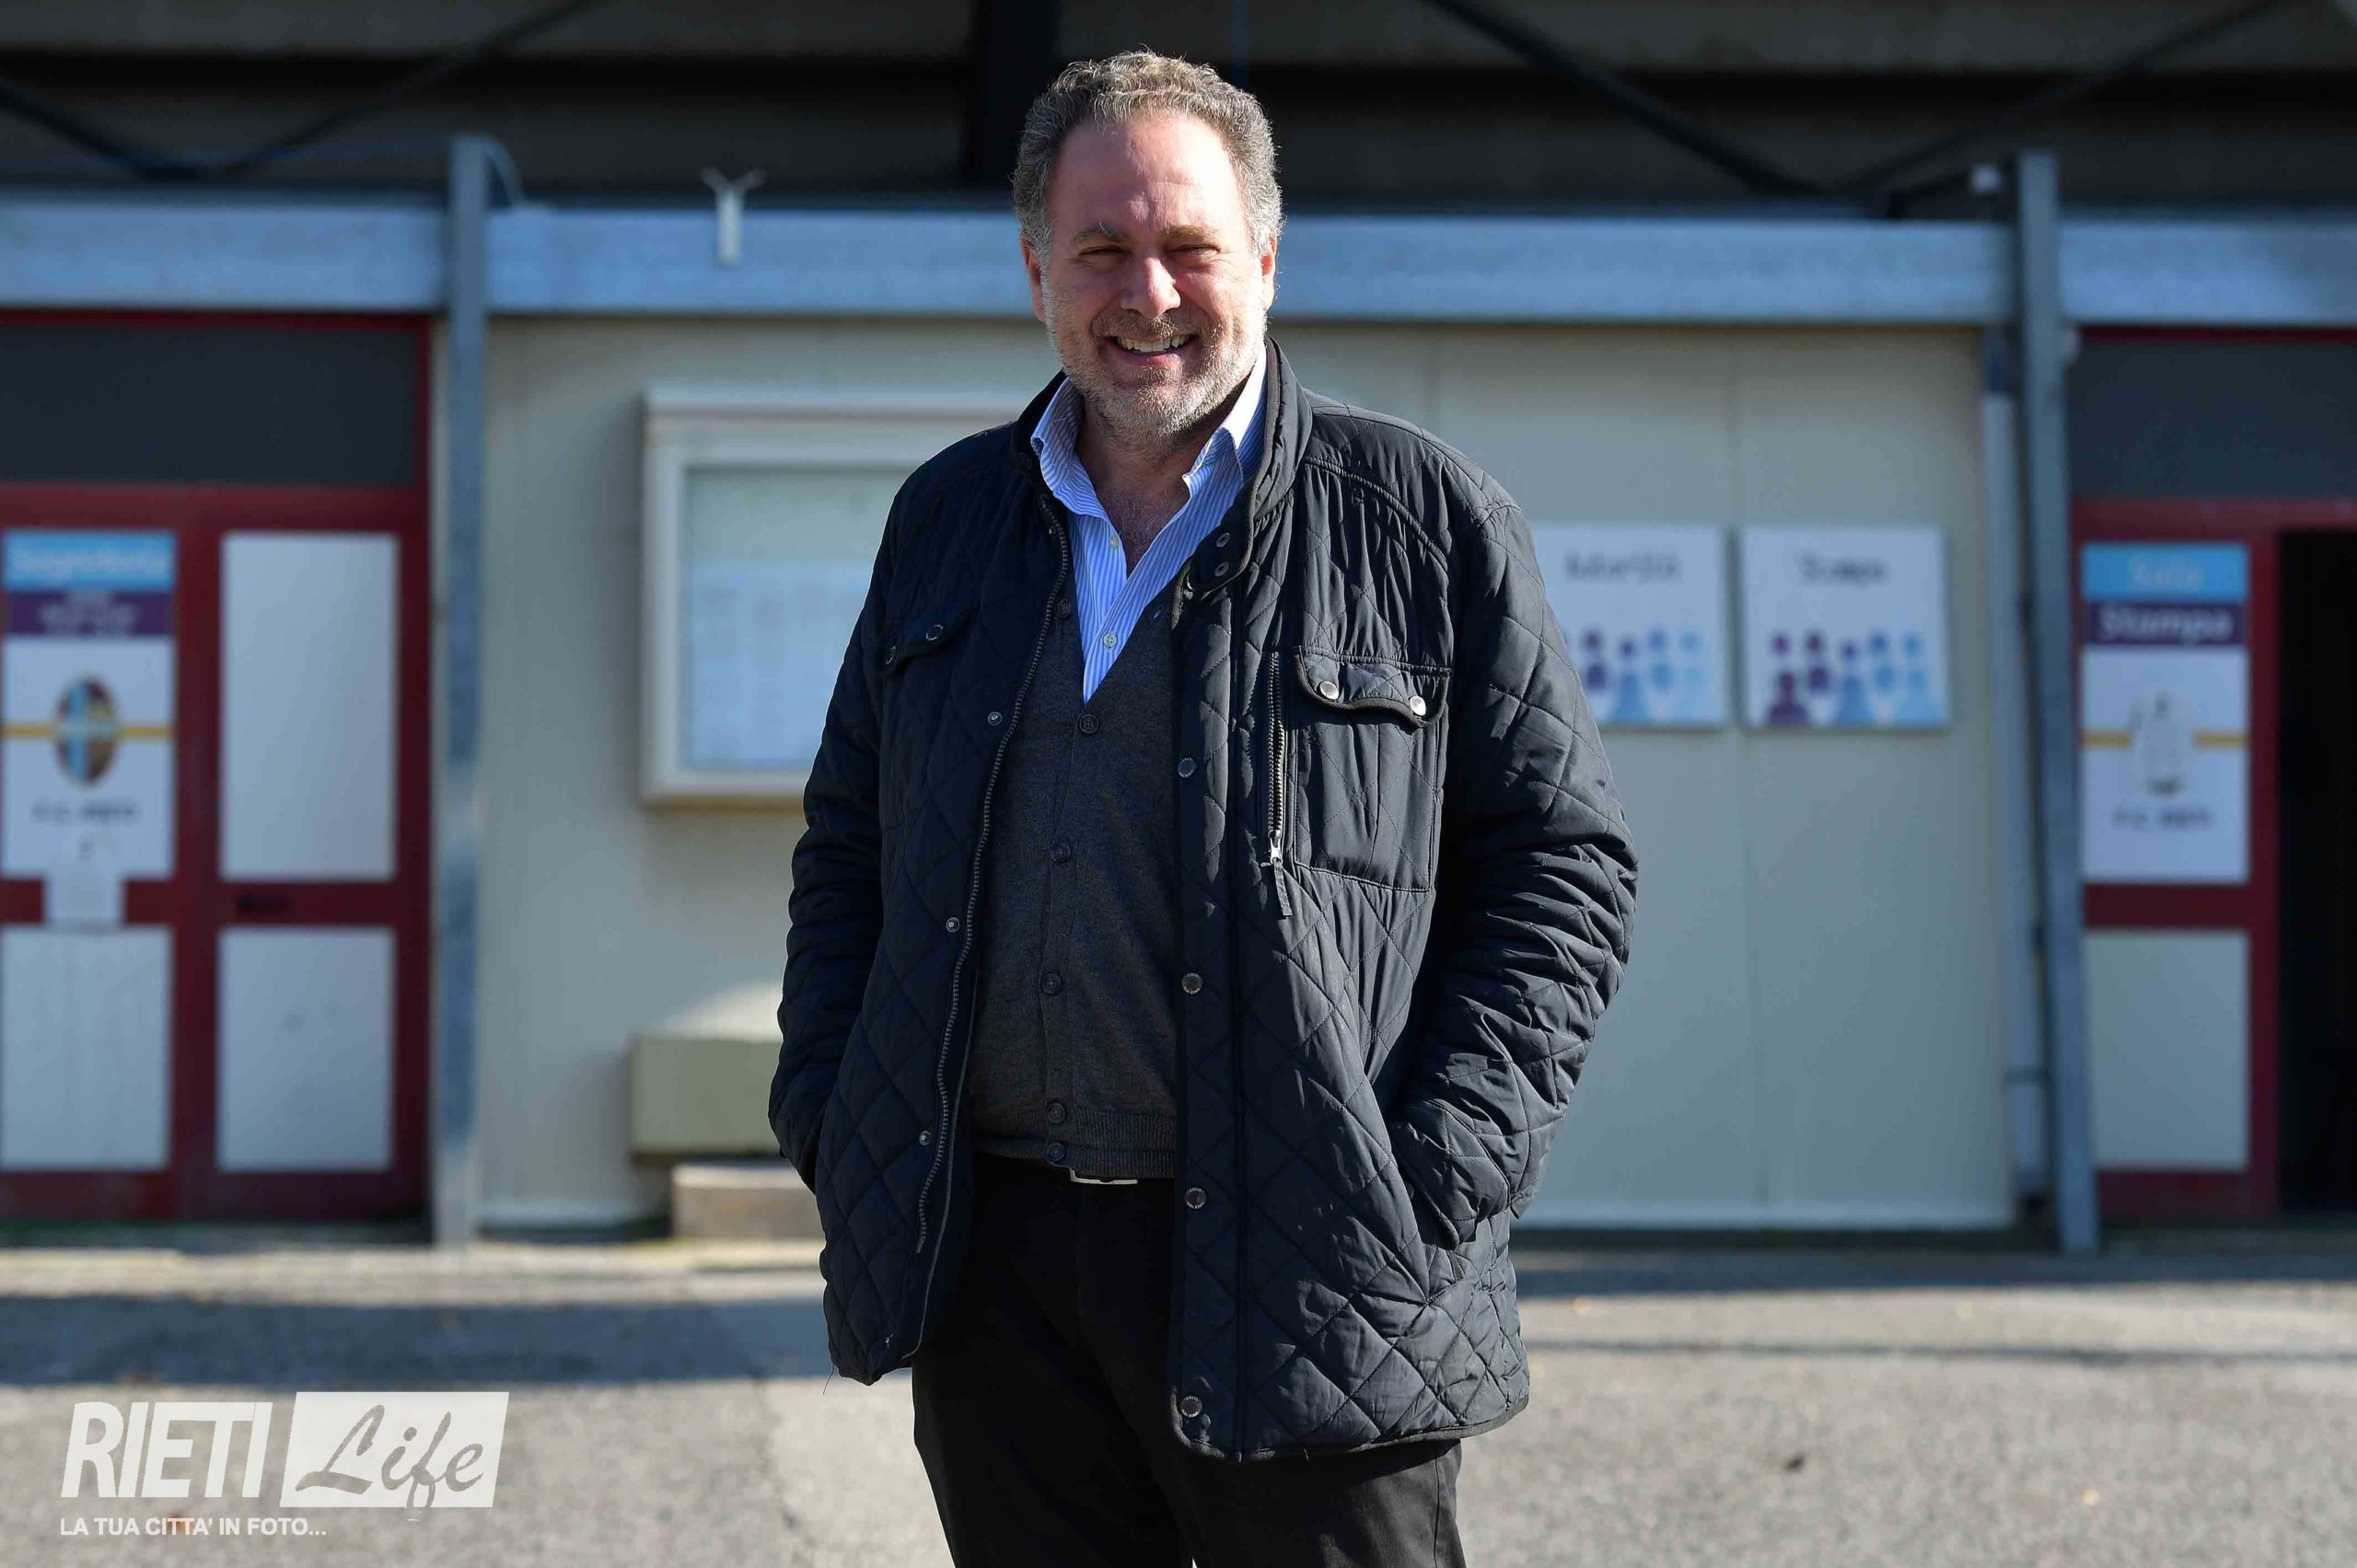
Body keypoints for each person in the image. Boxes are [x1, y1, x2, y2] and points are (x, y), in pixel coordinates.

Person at [772, 49, 1638, 1568]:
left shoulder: (1421, 521)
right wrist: (837, 1114)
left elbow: (1562, 871)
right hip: (1000, 1274)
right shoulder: (948, 521)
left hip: (1317, 1263)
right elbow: (850, 846)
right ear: (1037, 270)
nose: (1149, 294)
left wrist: (1428, 1179)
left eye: (1189, 247)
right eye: (1102, 250)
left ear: (1268, 261)